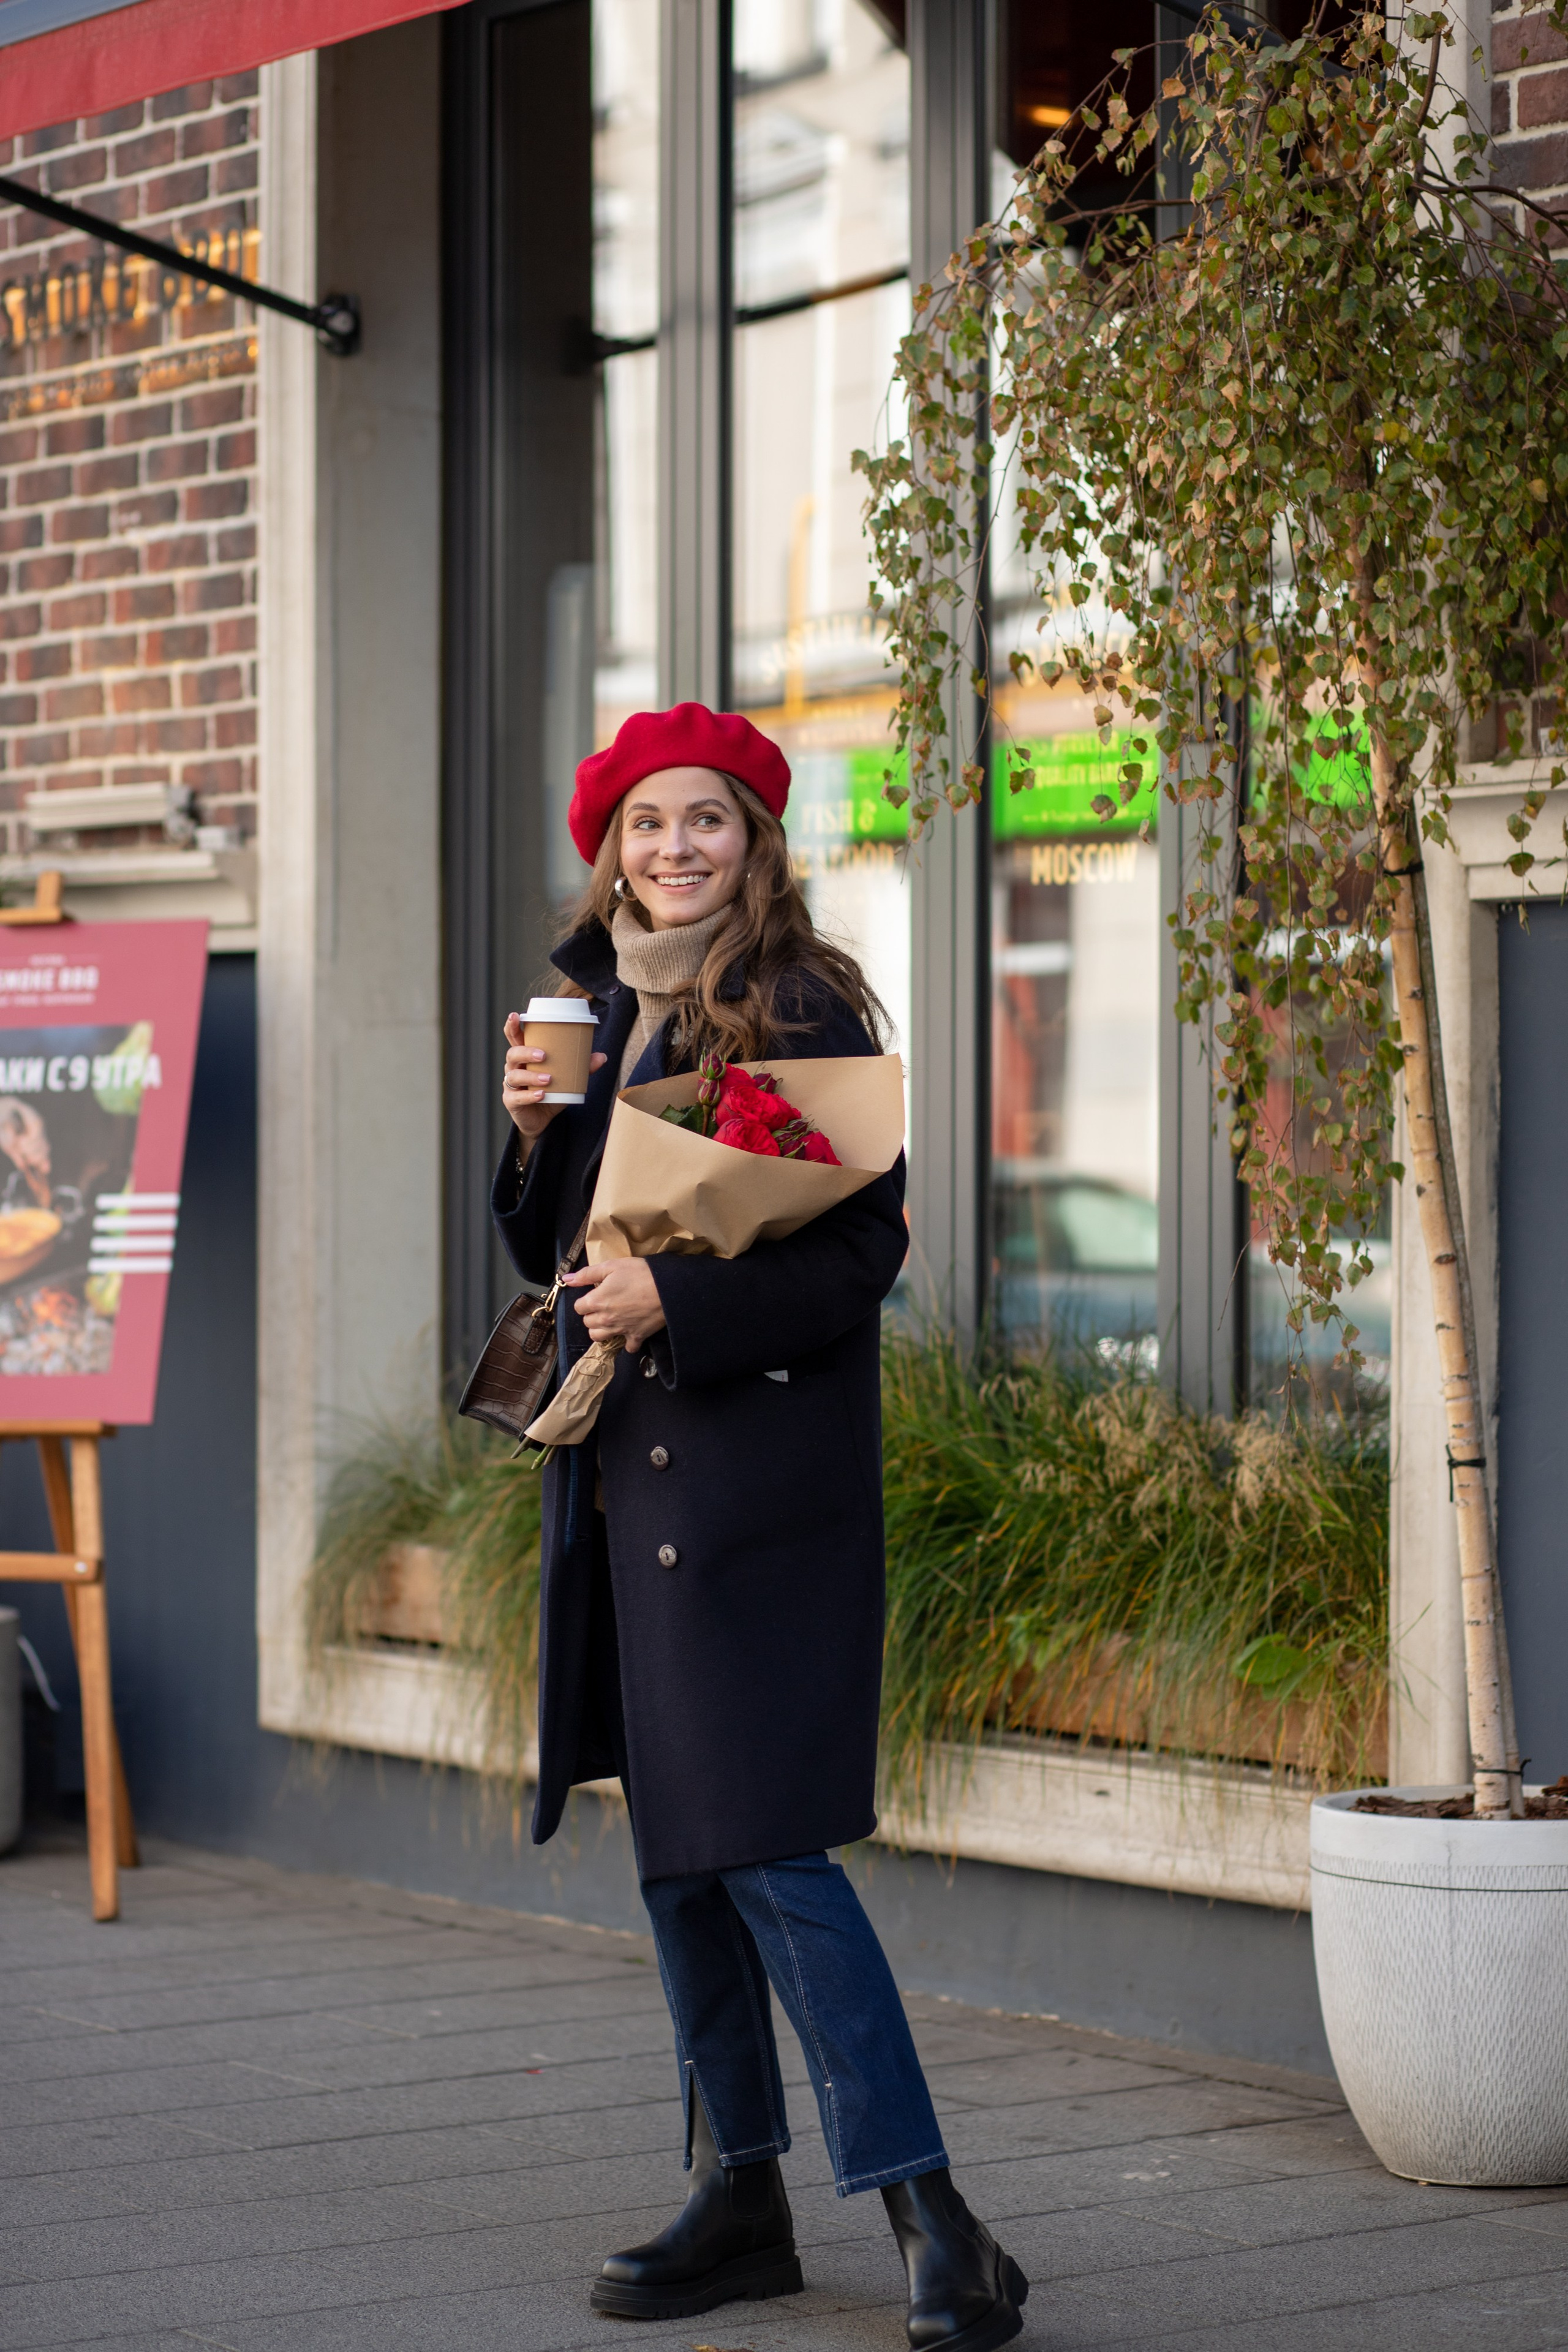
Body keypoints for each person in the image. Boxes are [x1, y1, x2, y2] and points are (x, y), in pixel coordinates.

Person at [494, 703, 1028, 2350]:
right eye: (648, 823)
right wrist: (531, 1140)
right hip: (621, 1483)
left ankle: (939, 2217)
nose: (676, 849)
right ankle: (742, 2197)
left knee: (773, 1854)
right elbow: (547, 1253)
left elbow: (859, 1254)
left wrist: (685, 1296)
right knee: (681, 1864)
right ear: (613, 846)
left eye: (705, 821)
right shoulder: (586, 1001)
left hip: (755, 1491)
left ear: (753, 840)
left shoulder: (800, 1005)